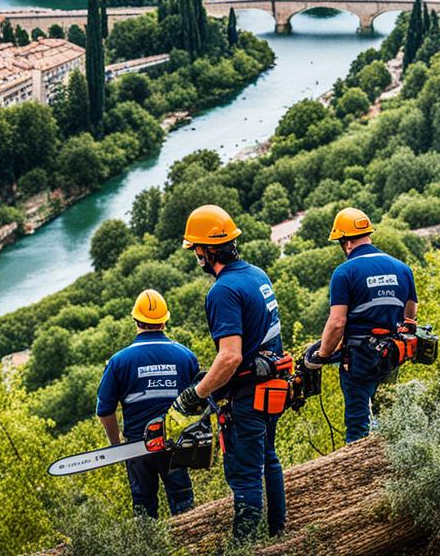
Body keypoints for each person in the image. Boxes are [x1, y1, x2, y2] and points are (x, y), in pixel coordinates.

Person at [171, 204, 286, 541]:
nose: (197, 256)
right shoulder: (257, 275)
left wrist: (197, 393)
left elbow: (230, 357)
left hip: (248, 397)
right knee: (269, 458)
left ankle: (246, 544)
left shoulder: (222, 291)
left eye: (197, 250)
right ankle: (278, 531)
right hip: (271, 386)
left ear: (207, 250)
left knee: (245, 474)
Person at [304, 207, 418, 443]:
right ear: (368, 235)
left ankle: (358, 472)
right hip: (391, 354)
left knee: (358, 425)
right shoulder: (402, 268)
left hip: (358, 359)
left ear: (345, 243)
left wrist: (321, 355)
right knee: (386, 412)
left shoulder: (345, 272)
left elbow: (337, 323)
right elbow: (411, 315)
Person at [95, 289, 200, 518]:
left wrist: (116, 445)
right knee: (183, 504)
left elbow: (105, 411)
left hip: (137, 446)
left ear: (136, 320)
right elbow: (199, 400)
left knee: (143, 509)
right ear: (164, 321)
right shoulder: (186, 356)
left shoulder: (119, 361)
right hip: (174, 442)